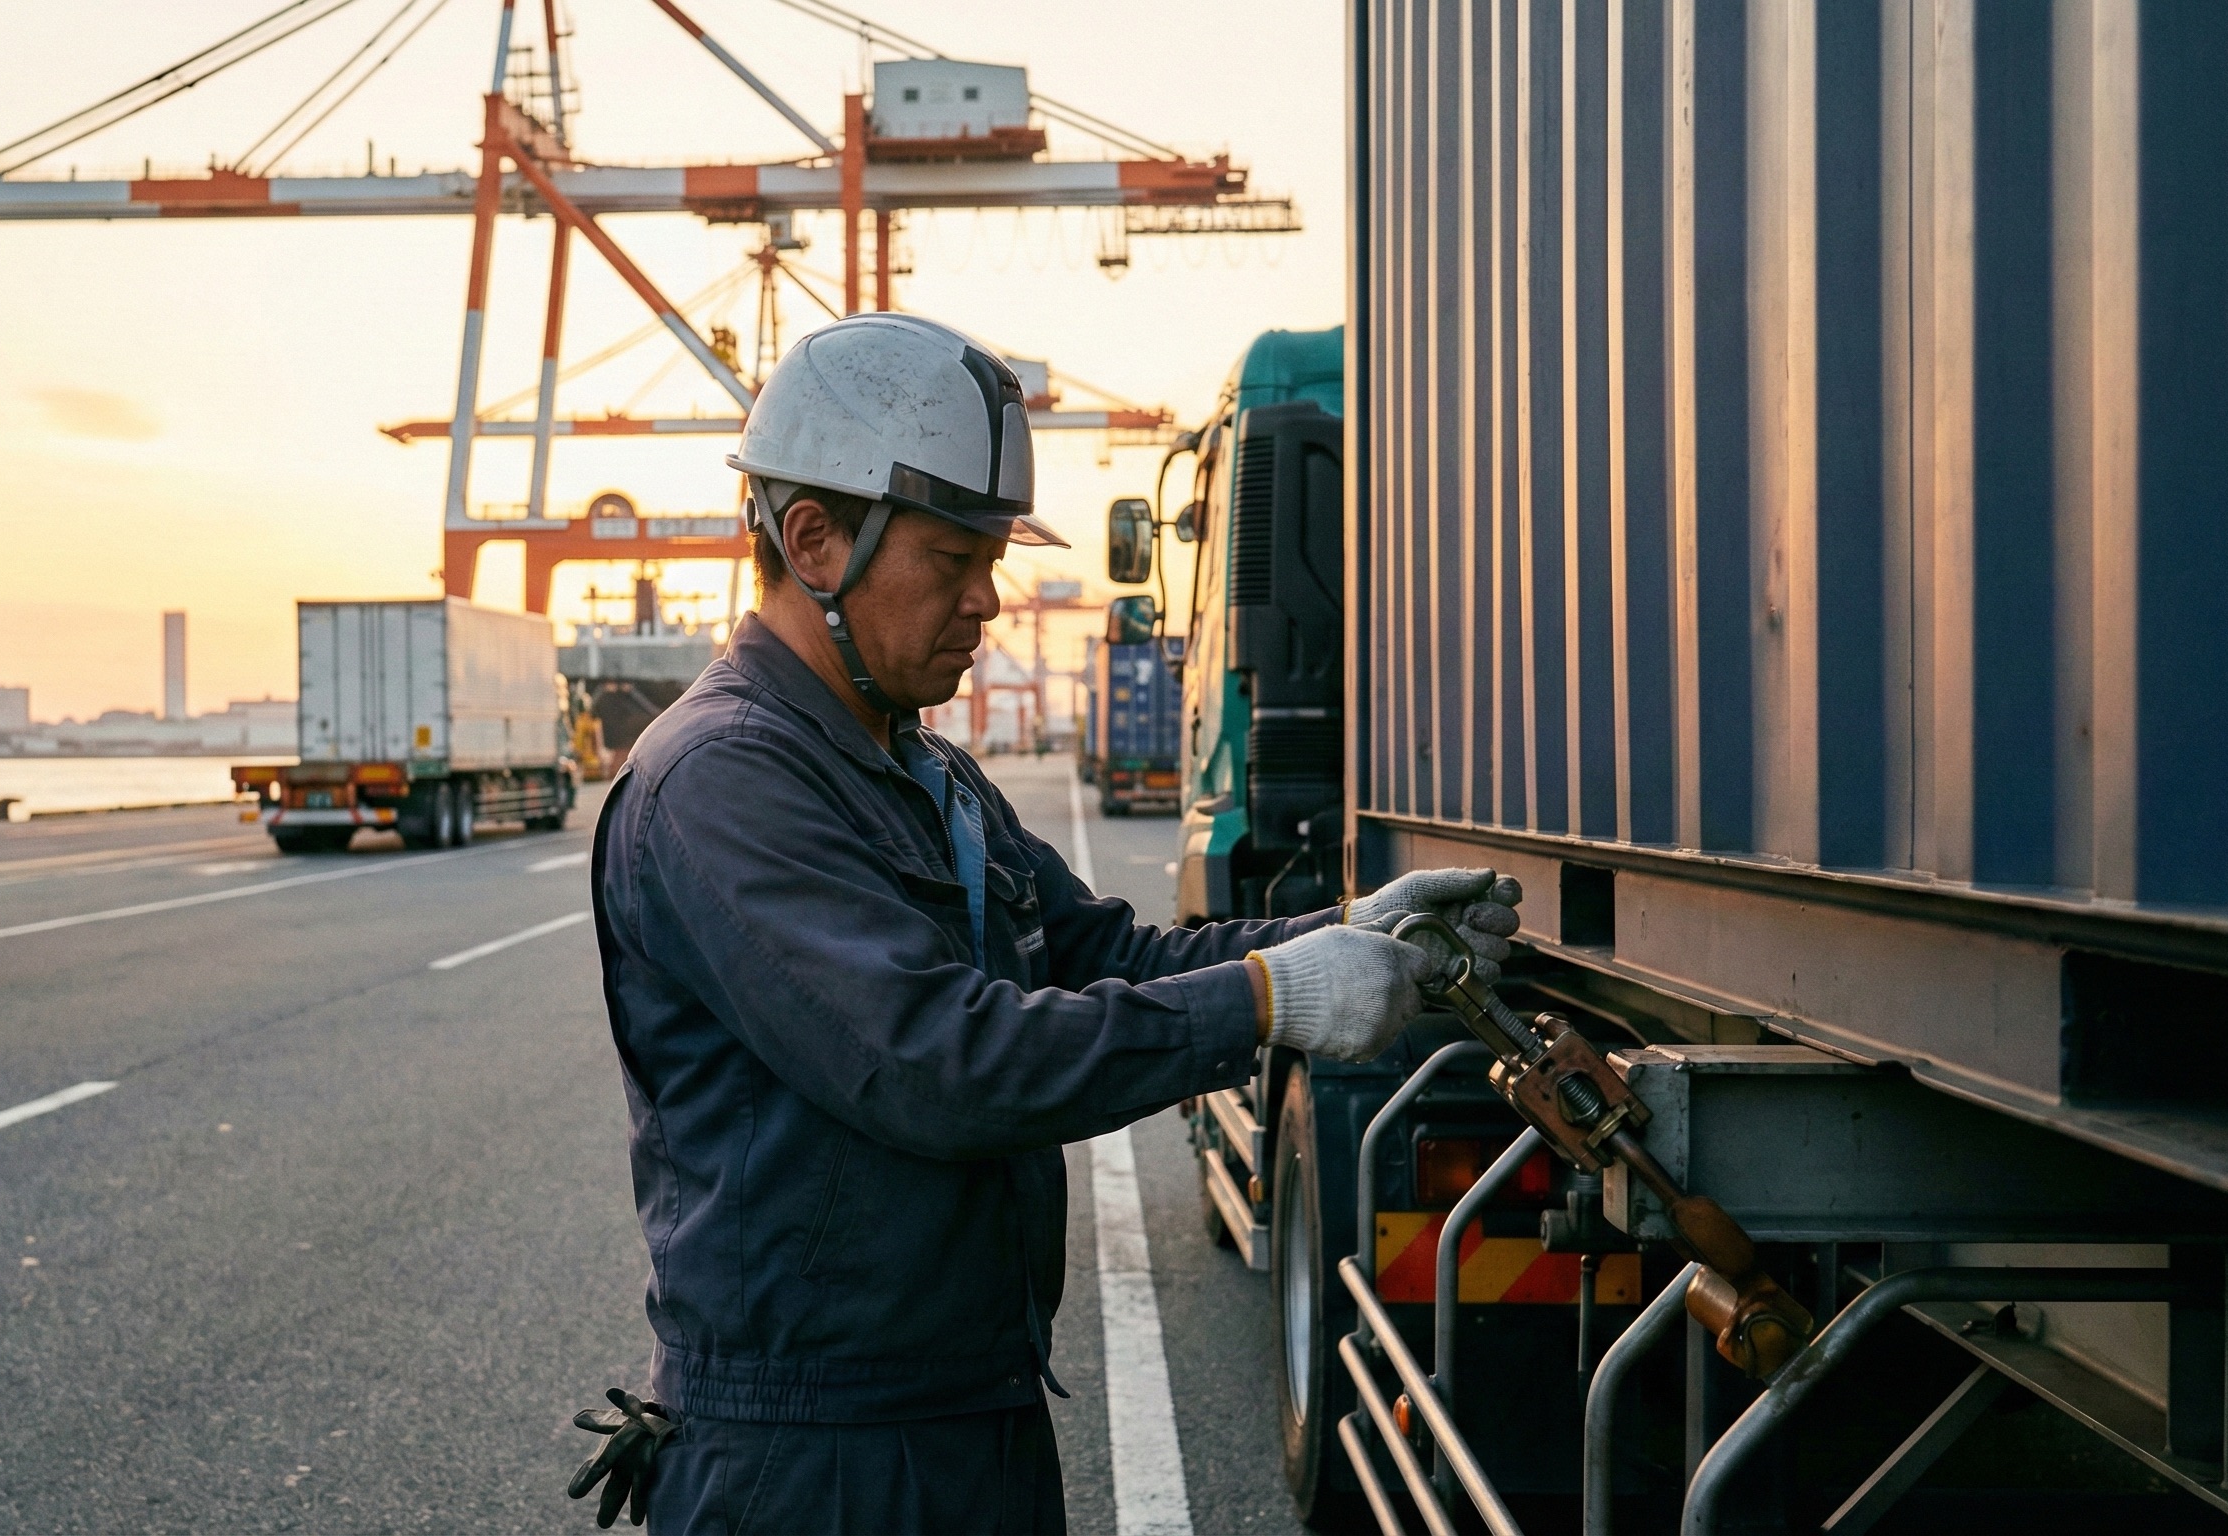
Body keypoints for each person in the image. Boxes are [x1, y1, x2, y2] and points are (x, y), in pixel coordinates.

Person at [573, 313, 1519, 1534]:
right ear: (812, 540)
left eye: (993, 555)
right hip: (814, 1461)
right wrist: (1274, 1003)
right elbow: (938, 1060)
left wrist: (1340, 934)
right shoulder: (720, 782)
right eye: (952, 555)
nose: (989, 598)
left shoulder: (925, 775)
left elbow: (1108, 959)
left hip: (965, 1415)